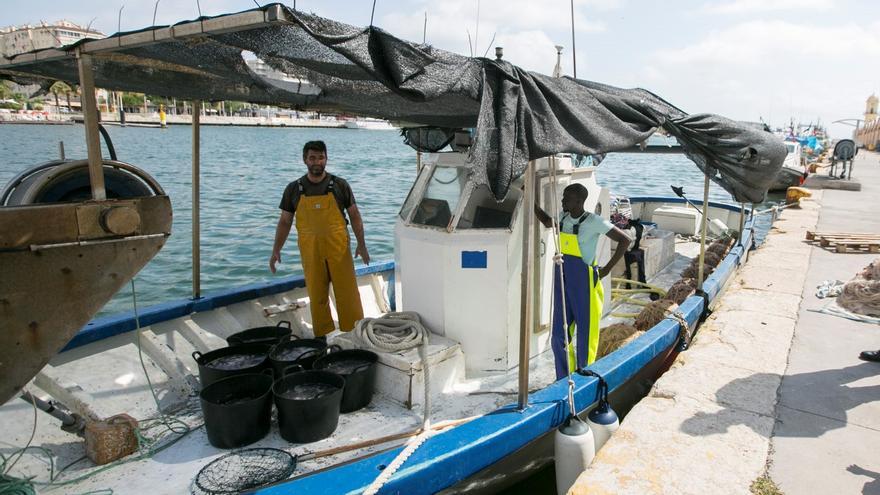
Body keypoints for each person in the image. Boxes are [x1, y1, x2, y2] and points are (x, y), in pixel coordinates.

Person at [270, 140, 369, 337]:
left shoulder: (340, 185)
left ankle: (355, 333)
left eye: (321, 157)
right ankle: (323, 337)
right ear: (304, 160)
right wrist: (276, 250)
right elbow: (284, 222)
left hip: (338, 248)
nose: (317, 162)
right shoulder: (293, 189)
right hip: (310, 250)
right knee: (317, 295)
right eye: (312, 158)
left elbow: (355, 215)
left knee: (347, 294)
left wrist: (362, 245)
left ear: (326, 159)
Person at [535, 183, 631, 380]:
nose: (562, 201)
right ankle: (564, 376)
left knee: (586, 331)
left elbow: (624, 241)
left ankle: (584, 373)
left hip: (584, 280)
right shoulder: (562, 218)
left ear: (579, 201)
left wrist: (605, 270)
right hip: (562, 276)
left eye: (566, 198)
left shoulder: (594, 221)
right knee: (559, 334)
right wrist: (531, 202)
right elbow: (546, 221)